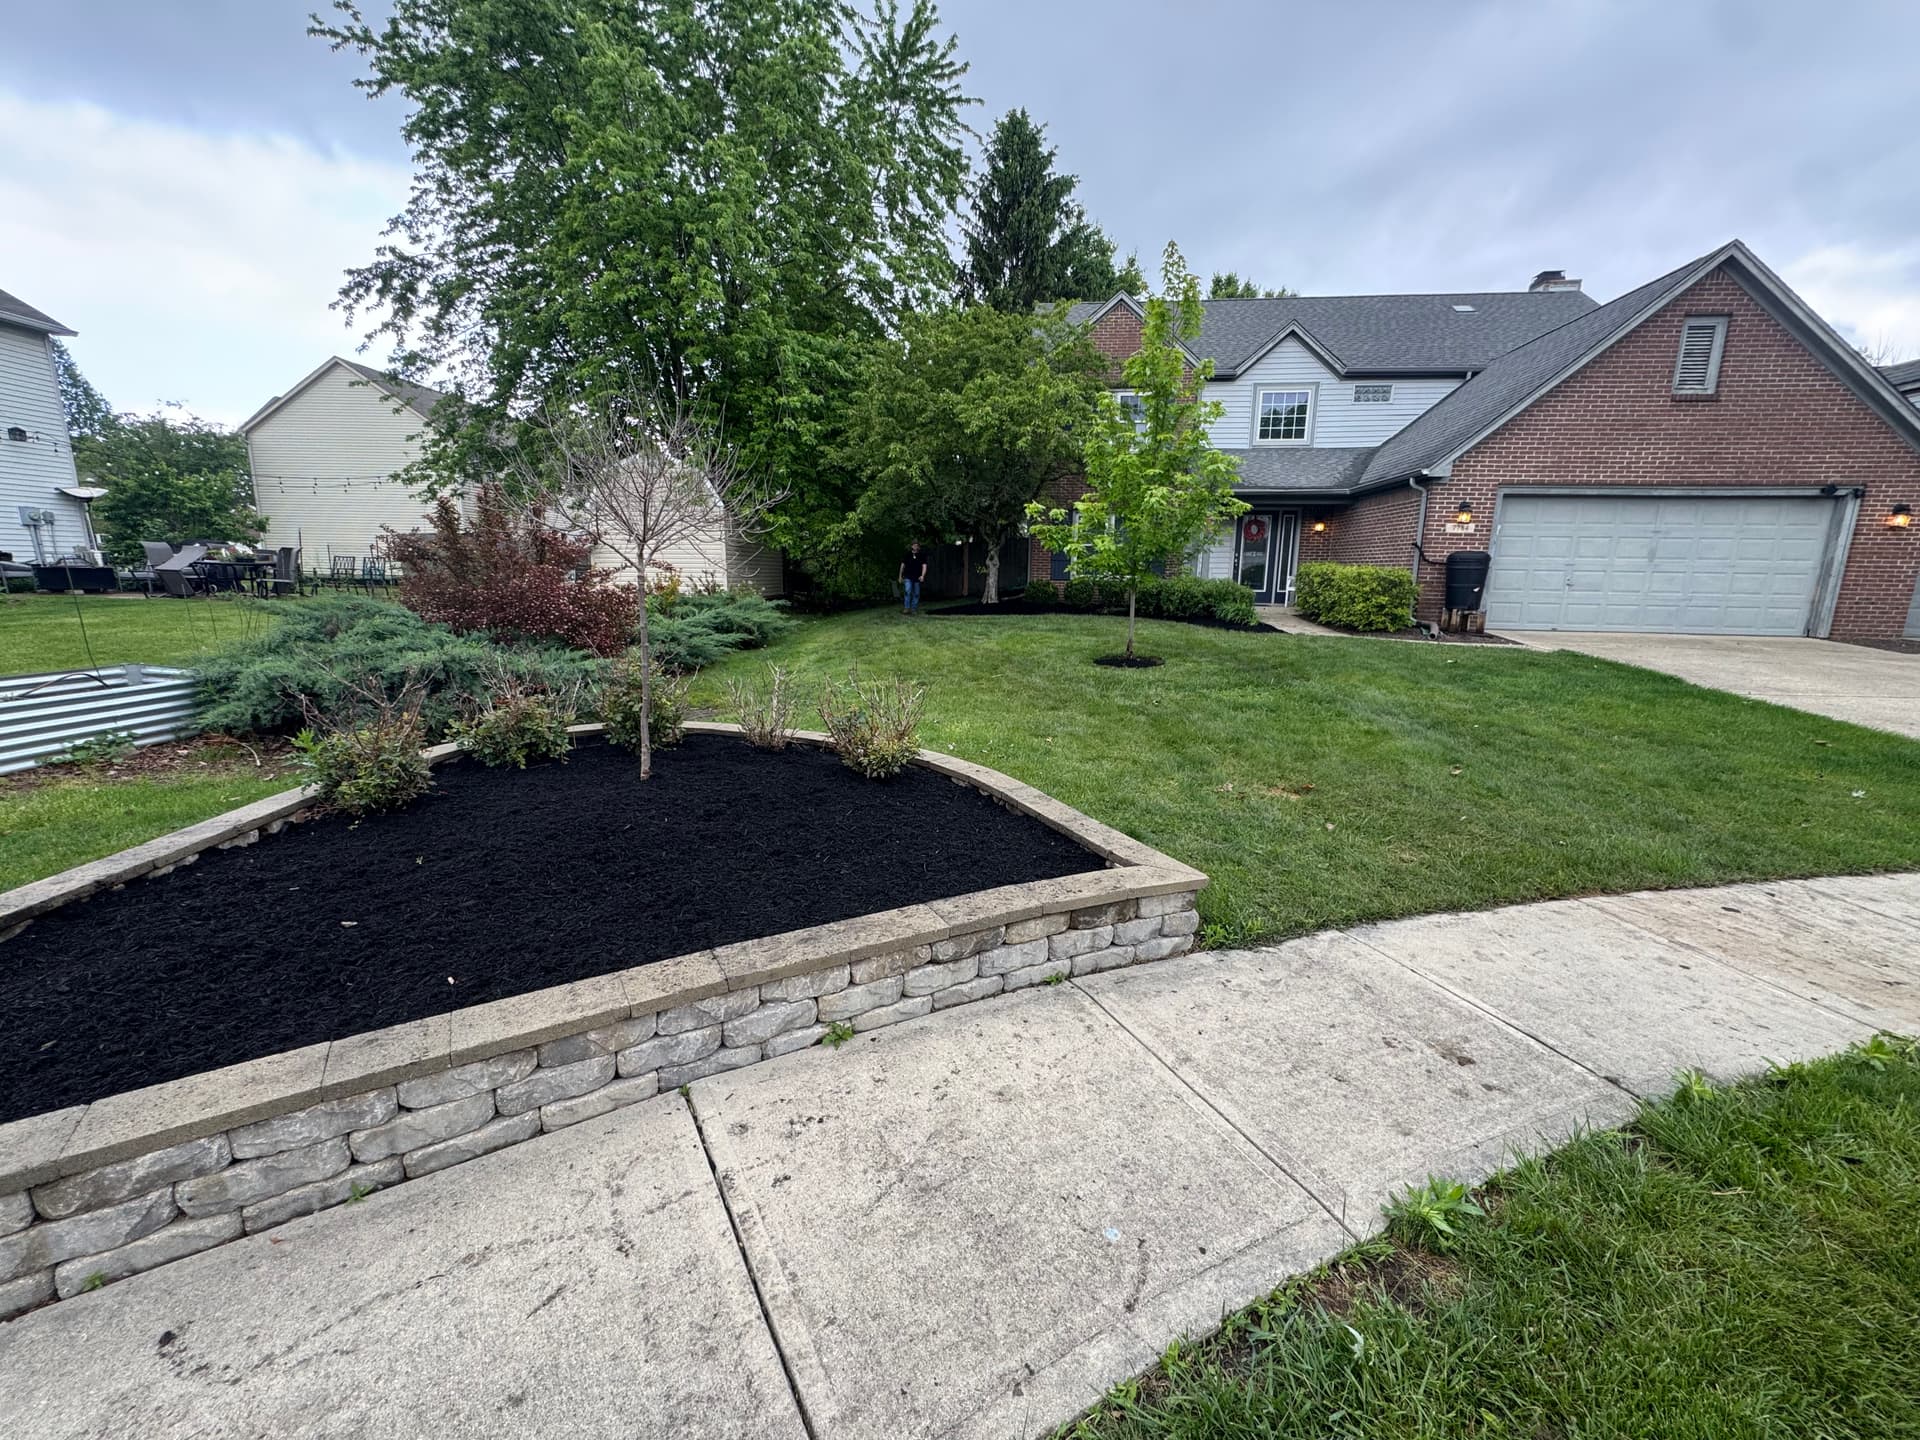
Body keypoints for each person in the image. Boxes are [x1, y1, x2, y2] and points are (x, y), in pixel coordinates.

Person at [899, 542, 929, 614]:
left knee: (916, 594)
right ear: (912, 546)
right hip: (908, 576)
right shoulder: (907, 554)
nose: (916, 547)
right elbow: (902, 566)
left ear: (919, 547)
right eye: (914, 545)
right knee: (908, 591)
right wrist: (900, 576)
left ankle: (913, 609)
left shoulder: (922, 555)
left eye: (917, 546)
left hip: (917, 577)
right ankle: (906, 608)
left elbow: (924, 566)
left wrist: (922, 575)